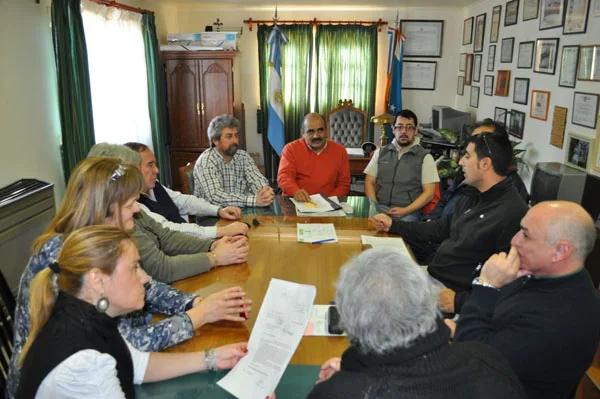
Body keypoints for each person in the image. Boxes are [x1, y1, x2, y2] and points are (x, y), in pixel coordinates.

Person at [5, 157, 251, 399]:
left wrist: (196, 304)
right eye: (131, 202)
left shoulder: (105, 248)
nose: (138, 208)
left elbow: (145, 304)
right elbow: (133, 344)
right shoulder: (71, 259)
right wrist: (200, 315)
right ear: (106, 210)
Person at [16, 225, 248, 398]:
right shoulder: (84, 365)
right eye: (134, 268)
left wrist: (212, 358)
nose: (145, 279)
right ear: (98, 280)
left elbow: (136, 364)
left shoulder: (86, 315)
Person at [308, 247, 526, 399]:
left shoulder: (340, 393)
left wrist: (345, 382)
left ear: (350, 323)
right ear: (429, 302)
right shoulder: (488, 359)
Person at [452, 201, 600, 399]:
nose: (514, 240)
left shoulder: (562, 318)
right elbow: (495, 325)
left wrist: (486, 285)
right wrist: (460, 328)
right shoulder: (540, 274)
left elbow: (473, 361)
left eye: (526, 234)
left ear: (561, 251)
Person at [372, 131, 528, 314]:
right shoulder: (472, 193)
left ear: (485, 164)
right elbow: (440, 228)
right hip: (433, 277)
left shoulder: (512, 213)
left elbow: (510, 284)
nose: (461, 161)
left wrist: (459, 302)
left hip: (450, 295)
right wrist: (394, 225)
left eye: (467, 156)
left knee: (377, 306)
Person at [86, 145, 250, 283]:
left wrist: (211, 245)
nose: (137, 208)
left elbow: (167, 236)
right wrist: (214, 256)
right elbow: (159, 270)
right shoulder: (115, 226)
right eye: (149, 165)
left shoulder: (132, 208)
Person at [123, 142, 248, 239]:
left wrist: (219, 210)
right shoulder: (134, 205)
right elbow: (170, 229)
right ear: (133, 169)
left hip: (192, 241)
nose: (157, 170)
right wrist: (222, 231)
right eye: (150, 165)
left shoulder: (155, 186)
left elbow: (185, 202)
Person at [426, 119, 529, 221]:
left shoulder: (512, 187)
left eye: (481, 140)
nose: (474, 144)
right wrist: (432, 218)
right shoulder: (466, 171)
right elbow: (446, 198)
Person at [364, 109, 440, 222]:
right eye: (399, 127)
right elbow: (369, 182)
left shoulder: (425, 157)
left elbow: (429, 193)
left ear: (416, 130)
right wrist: (375, 208)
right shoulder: (380, 153)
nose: (404, 131)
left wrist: (406, 210)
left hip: (408, 212)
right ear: (393, 129)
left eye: (409, 127)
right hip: (380, 208)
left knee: (397, 235)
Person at [193, 114, 274, 207]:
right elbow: (216, 197)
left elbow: (257, 179)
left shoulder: (243, 156)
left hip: (239, 211)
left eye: (236, 136)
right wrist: (254, 200)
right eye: (229, 136)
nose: (235, 141)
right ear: (215, 140)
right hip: (211, 215)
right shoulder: (206, 161)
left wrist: (264, 191)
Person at [277, 113, 350, 201]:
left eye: (320, 130)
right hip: (296, 202)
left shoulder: (340, 151)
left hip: (330, 204)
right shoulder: (290, 149)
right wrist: (295, 191)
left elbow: (344, 184)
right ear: (303, 133)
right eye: (311, 131)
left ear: (327, 130)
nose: (316, 136)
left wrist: (329, 201)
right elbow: (284, 177)